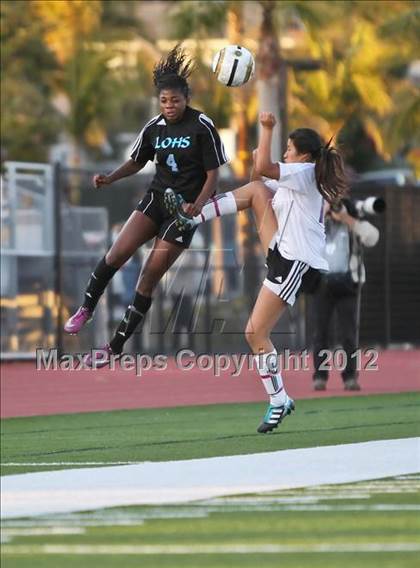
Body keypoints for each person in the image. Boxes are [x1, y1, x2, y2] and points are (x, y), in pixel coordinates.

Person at [164, 113, 347, 433]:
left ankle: (279, 400)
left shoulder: (304, 172)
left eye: (289, 149)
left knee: (254, 333)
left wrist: (266, 129)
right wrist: (261, 155)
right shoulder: (301, 172)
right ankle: (192, 218)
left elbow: (263, 166)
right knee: (257, 191)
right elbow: (255, 179)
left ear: (303, 155)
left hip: (297, 262)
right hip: (283, 251)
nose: (285, 154)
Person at [63, 45, 228, 365]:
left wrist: (197, 205)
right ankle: (86, 308)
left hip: (183, 213)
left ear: (187, 99)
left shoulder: (202, 126)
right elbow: (137, 162)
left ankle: (114, 346)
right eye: (164, 101)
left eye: (175, 100)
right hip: (156, 199)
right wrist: (110, 178)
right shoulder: (154, 127)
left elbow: (213, 175)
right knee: (116, 253)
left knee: (148, 277)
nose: (169, 106)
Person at [312, 200, 379, 391]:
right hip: (321, 283)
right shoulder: (316, 219)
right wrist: (322, 213)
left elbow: (372, 237)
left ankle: (350, 377)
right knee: (320, 333)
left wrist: (347, 219)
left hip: (349, 283)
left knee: (349, 333)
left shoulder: (352, 216)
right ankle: (320, 376)